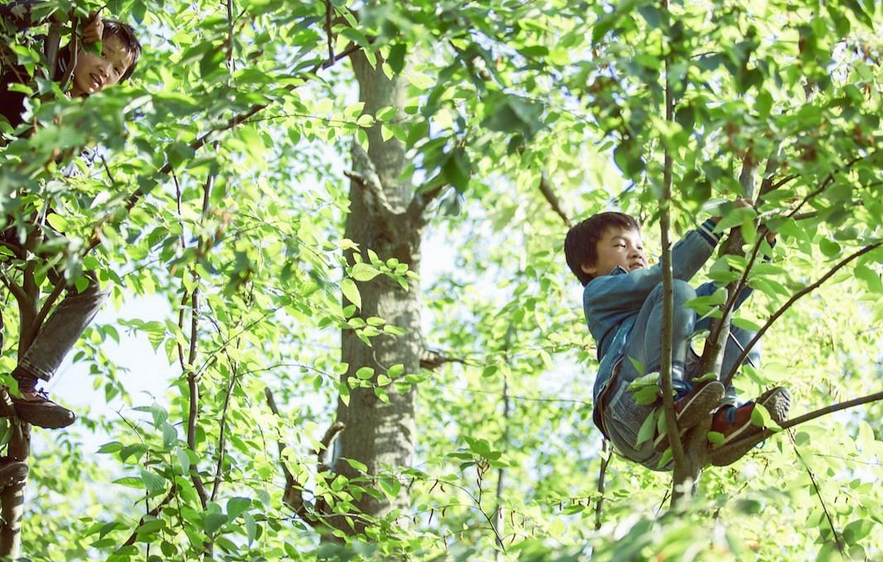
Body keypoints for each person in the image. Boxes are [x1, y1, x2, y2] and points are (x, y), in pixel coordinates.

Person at [0, 2, 141, 429]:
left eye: (118, 71)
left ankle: (27, 381)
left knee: (91, 286)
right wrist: (71, 25)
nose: (106, 71)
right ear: (80, 44)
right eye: (102, 54)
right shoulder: (32, 66)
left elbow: (60, 170)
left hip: (26, 220)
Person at [564, 207, 791, 470]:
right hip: (629, 412)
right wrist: (716, 224)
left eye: (639, 245)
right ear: (589, 265)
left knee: (732, 320)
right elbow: (665, 278)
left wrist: (764, 244)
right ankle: (669, 392)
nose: (636, 251)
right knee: (676, 290)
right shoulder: (598, 292)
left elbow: (723, 296)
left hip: (678, 439)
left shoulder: (664, 306)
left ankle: (725, 418)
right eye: (620, 245)